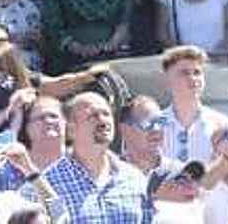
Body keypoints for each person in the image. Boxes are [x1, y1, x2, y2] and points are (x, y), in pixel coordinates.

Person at [43, 92, 154, 224]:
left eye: (106, 114)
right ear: (71, 129)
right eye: (93, 116)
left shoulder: (134, 179)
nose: (103, 120)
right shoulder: (45, 184)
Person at [157, 46, 228, 164]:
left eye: (197, 72)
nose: (193, 78)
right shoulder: (154, 126)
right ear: (167, 81)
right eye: (184, 73)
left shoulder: (221, 124)